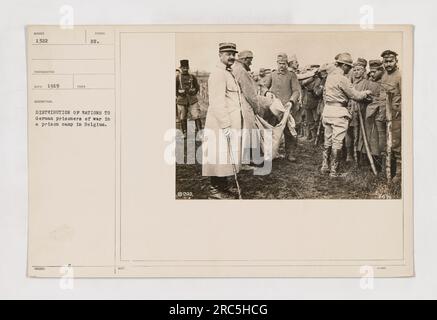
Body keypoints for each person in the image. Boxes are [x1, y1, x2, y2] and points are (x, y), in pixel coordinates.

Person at [321, 53, 372, 177]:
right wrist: (366, 92)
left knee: (328, 139)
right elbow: (355, 95)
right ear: (343, 65)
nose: (350, 69)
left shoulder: (330, 76)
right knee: (337, 141)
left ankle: (324, 166)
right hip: (338, 112)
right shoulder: (342, 79)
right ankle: (334, 171)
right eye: (349, 67)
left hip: (327, 110)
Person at [202, 42, 242, 199]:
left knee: (225, 156)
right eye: (228, 54)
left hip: (228, 121)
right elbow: (217, 102)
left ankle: (223, 186)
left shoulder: (228, 73)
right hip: (220, 123)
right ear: (220, 55)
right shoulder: (218, 74)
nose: (232, 57)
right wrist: (226, 125)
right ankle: (215, 189)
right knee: (218, 155)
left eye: (233, 54)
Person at [232, 50, 273, 168]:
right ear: (245, 59)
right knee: (249, 131)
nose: (251, 62)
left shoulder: (236, 69)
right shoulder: (242, 71)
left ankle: (245, 158)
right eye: (250, 59)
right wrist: (257, 107)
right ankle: (248, 159)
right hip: (245, 105)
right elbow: (250, 93)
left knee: (244, 132)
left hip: (238, 104)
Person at [264, 53, 301, 162]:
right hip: (274, 108)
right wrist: (266, 92)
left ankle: (290, 153)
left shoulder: (291, 75)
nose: (282, 66)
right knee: (272, 129)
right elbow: (264, 87)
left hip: (287, 108)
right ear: (277, 63)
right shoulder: (272, 75)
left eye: (284, 63)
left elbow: (296, 91)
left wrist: (291, 101)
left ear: (287, 64)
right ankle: (271, 152)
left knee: (289, 131)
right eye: (280, 63)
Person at [379, 50, 402, 182]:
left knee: (396, 143)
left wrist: (399, 110)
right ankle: (386, 170)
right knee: (385, 143)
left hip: (395, 115)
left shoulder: (399, 76)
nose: (388, 64)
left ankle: (398, 174)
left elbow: (405, 96)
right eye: (385, 61)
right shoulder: (384, 76)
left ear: (396, 61)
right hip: (384, 114)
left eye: (390, 61)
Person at [176, 59, 202, 138]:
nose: (185, 69)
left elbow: (197, 87)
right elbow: (174, 88)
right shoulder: (178, 77)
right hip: (181, 100)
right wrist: (179, 93)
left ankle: (200, 133)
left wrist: (194, 91)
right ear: (181, 68)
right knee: (182, 117)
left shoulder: (192, 77)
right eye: (183, 68)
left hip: (192, 99)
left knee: (196, 115)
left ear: (188, 68)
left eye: (186, 68)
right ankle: (184, 133)